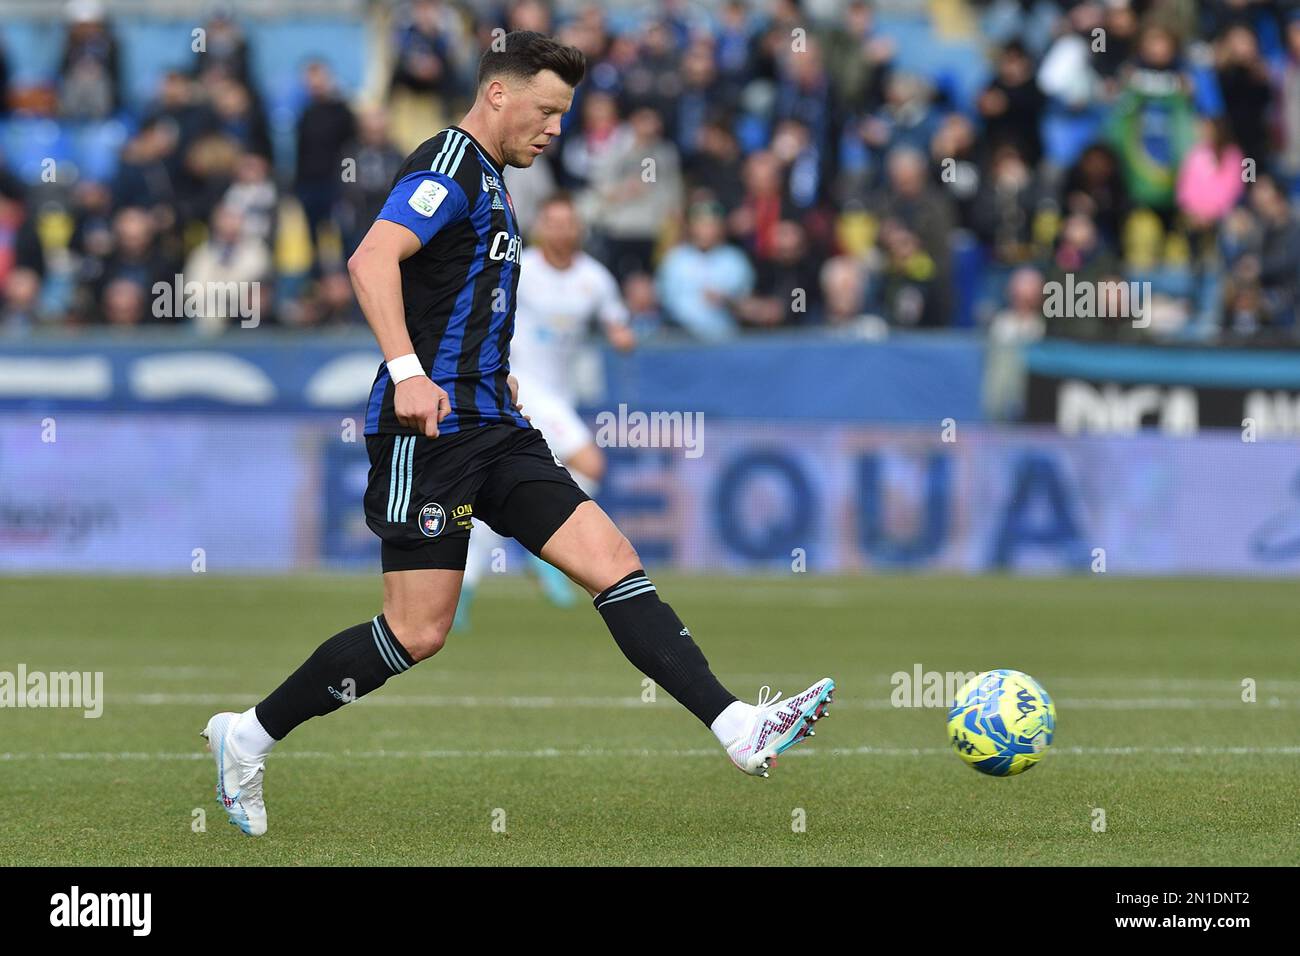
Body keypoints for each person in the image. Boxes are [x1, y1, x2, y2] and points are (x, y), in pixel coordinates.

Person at [201, 31, 834, 837]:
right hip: (425, 433)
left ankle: (738, 727)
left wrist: (494, 377)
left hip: (496, 428)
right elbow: (370, 260)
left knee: (612, 562)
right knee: (417, 631)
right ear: (497, 93)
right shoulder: (449, 165)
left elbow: (462, 299)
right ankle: (247, 736)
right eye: (546, 110)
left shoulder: (497, 182)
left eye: (563, 114)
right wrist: (407, 373)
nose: (555, 128)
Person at [455, 190, 634, 627]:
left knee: (498, 486)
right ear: (540, 227)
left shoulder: (594, 277)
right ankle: (549, 551)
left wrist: (622, 335)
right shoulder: (521, 269)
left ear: (578, 228)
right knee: (591, 462)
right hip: (521, 385)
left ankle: (465, 584)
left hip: (559, 395)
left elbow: (617, 321)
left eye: (568, 222)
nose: (561, 229)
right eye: (552, 222)